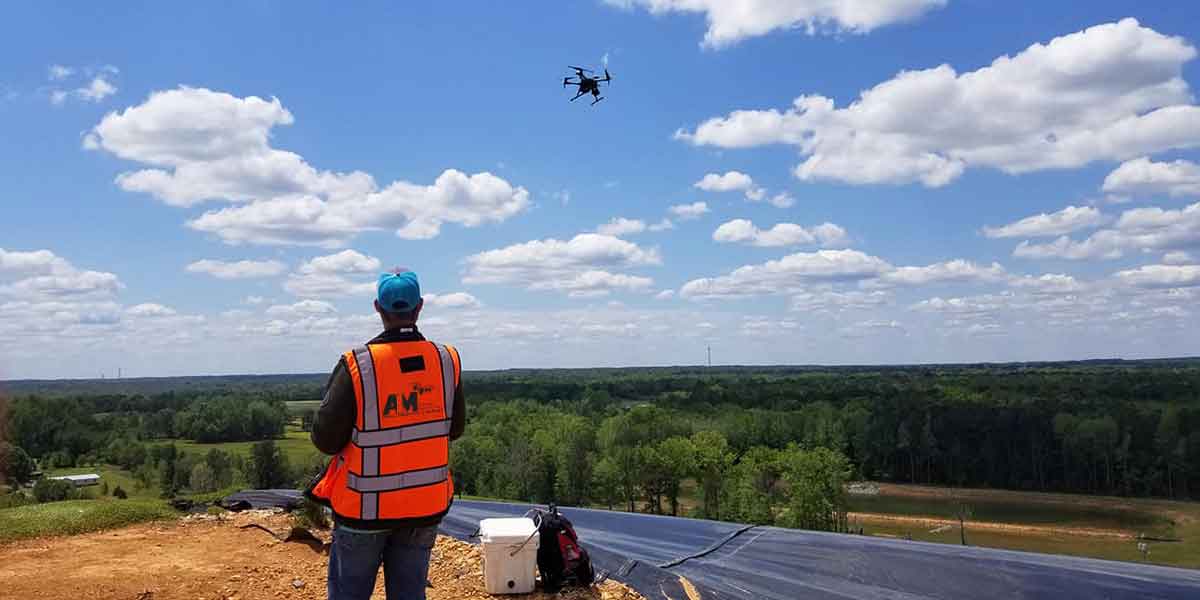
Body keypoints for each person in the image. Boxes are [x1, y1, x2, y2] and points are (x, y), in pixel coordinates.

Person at [306, 268, 465, 600]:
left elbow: (326, 439)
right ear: (419, 307)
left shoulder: (358, 365)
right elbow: (455, 428)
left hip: (364, 511)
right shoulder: (445, 361)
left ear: (378, 307)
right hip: (424, 507)